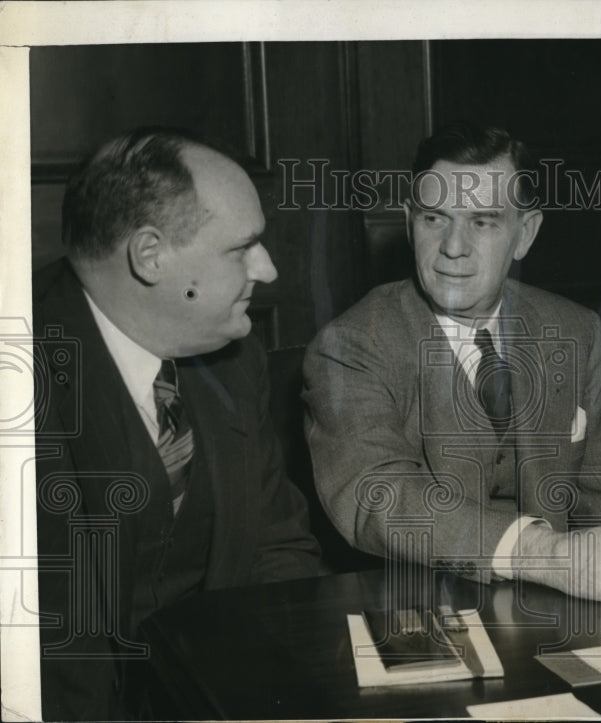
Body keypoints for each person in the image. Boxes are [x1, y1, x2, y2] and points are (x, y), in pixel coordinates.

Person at [304, 122, 601, 601]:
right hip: (413, 606)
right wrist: (543, 553)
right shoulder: (352, 343)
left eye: (483, 221)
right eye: (433, 219)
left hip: (551, 604)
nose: (453, 247)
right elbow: (378, 496)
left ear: (524, 234)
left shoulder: (573, 329)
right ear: (409, 223)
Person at [33, 128, 323, 720]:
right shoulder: (21, 375)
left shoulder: (235, 360)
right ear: (150, 256)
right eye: (241, 248)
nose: (266, 269)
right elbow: (45, 647)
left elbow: (277, 545)